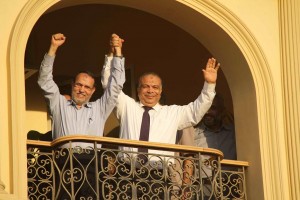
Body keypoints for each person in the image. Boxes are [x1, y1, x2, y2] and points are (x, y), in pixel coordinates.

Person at [101, 40, 220, 199]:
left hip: (158, 175)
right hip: (126, 172)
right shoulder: (127, 106)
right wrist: (112, 54)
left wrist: (209, 84)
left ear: (160, 91)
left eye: (155, 87)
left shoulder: (172, 112)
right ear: (138, 90)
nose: (150, 91)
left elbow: (196, 110)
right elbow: (109, 85)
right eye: (146, 86)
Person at [37, 33, 125, 199]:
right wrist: (53, 48)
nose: (81, 89)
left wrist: (118, 51)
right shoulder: (59, 104)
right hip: (63, 162)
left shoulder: (99, 108)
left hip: (92, 164)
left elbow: (116, 85)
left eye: (86, 87)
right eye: (78, 84)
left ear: (92, 91)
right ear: (72, 85)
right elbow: (44, 80)